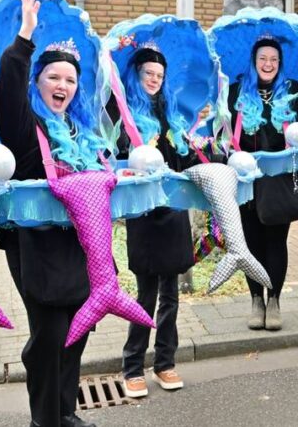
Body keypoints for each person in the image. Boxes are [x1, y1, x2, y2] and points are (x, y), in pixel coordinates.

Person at [0, 0, 102, 427]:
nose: (63, 85)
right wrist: (25, 37)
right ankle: (45, 419)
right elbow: (6, 93)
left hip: (78, 241)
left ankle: (65, 409)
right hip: (35, 244)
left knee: (79, 328)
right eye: (54, 77)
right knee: (50, 332)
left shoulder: (81, 134)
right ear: (38, 81)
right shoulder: (25, 125)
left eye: (70, 80)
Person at [113, 45, 200, 398]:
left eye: (159, 76)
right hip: (144, 212)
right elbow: (116, 152)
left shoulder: (170, 113)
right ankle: (132, 366)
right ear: (136, 74)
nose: (154, 80)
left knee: (171, 295)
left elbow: (185, 156)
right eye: (148, 73)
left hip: (173, 207)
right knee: (145, 294)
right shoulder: (123, 113)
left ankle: (165, 363)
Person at [228, 37, 298, 331]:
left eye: (273, 59)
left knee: (275, 241)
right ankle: (255, 300)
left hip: (280, 179)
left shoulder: (294, 91)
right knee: (249, 242)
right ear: (254, 61)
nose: (268, 64)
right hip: (246, 179)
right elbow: (222, 129)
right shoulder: (235, 92)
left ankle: (274, 300)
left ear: (279, 62)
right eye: (262, 58)